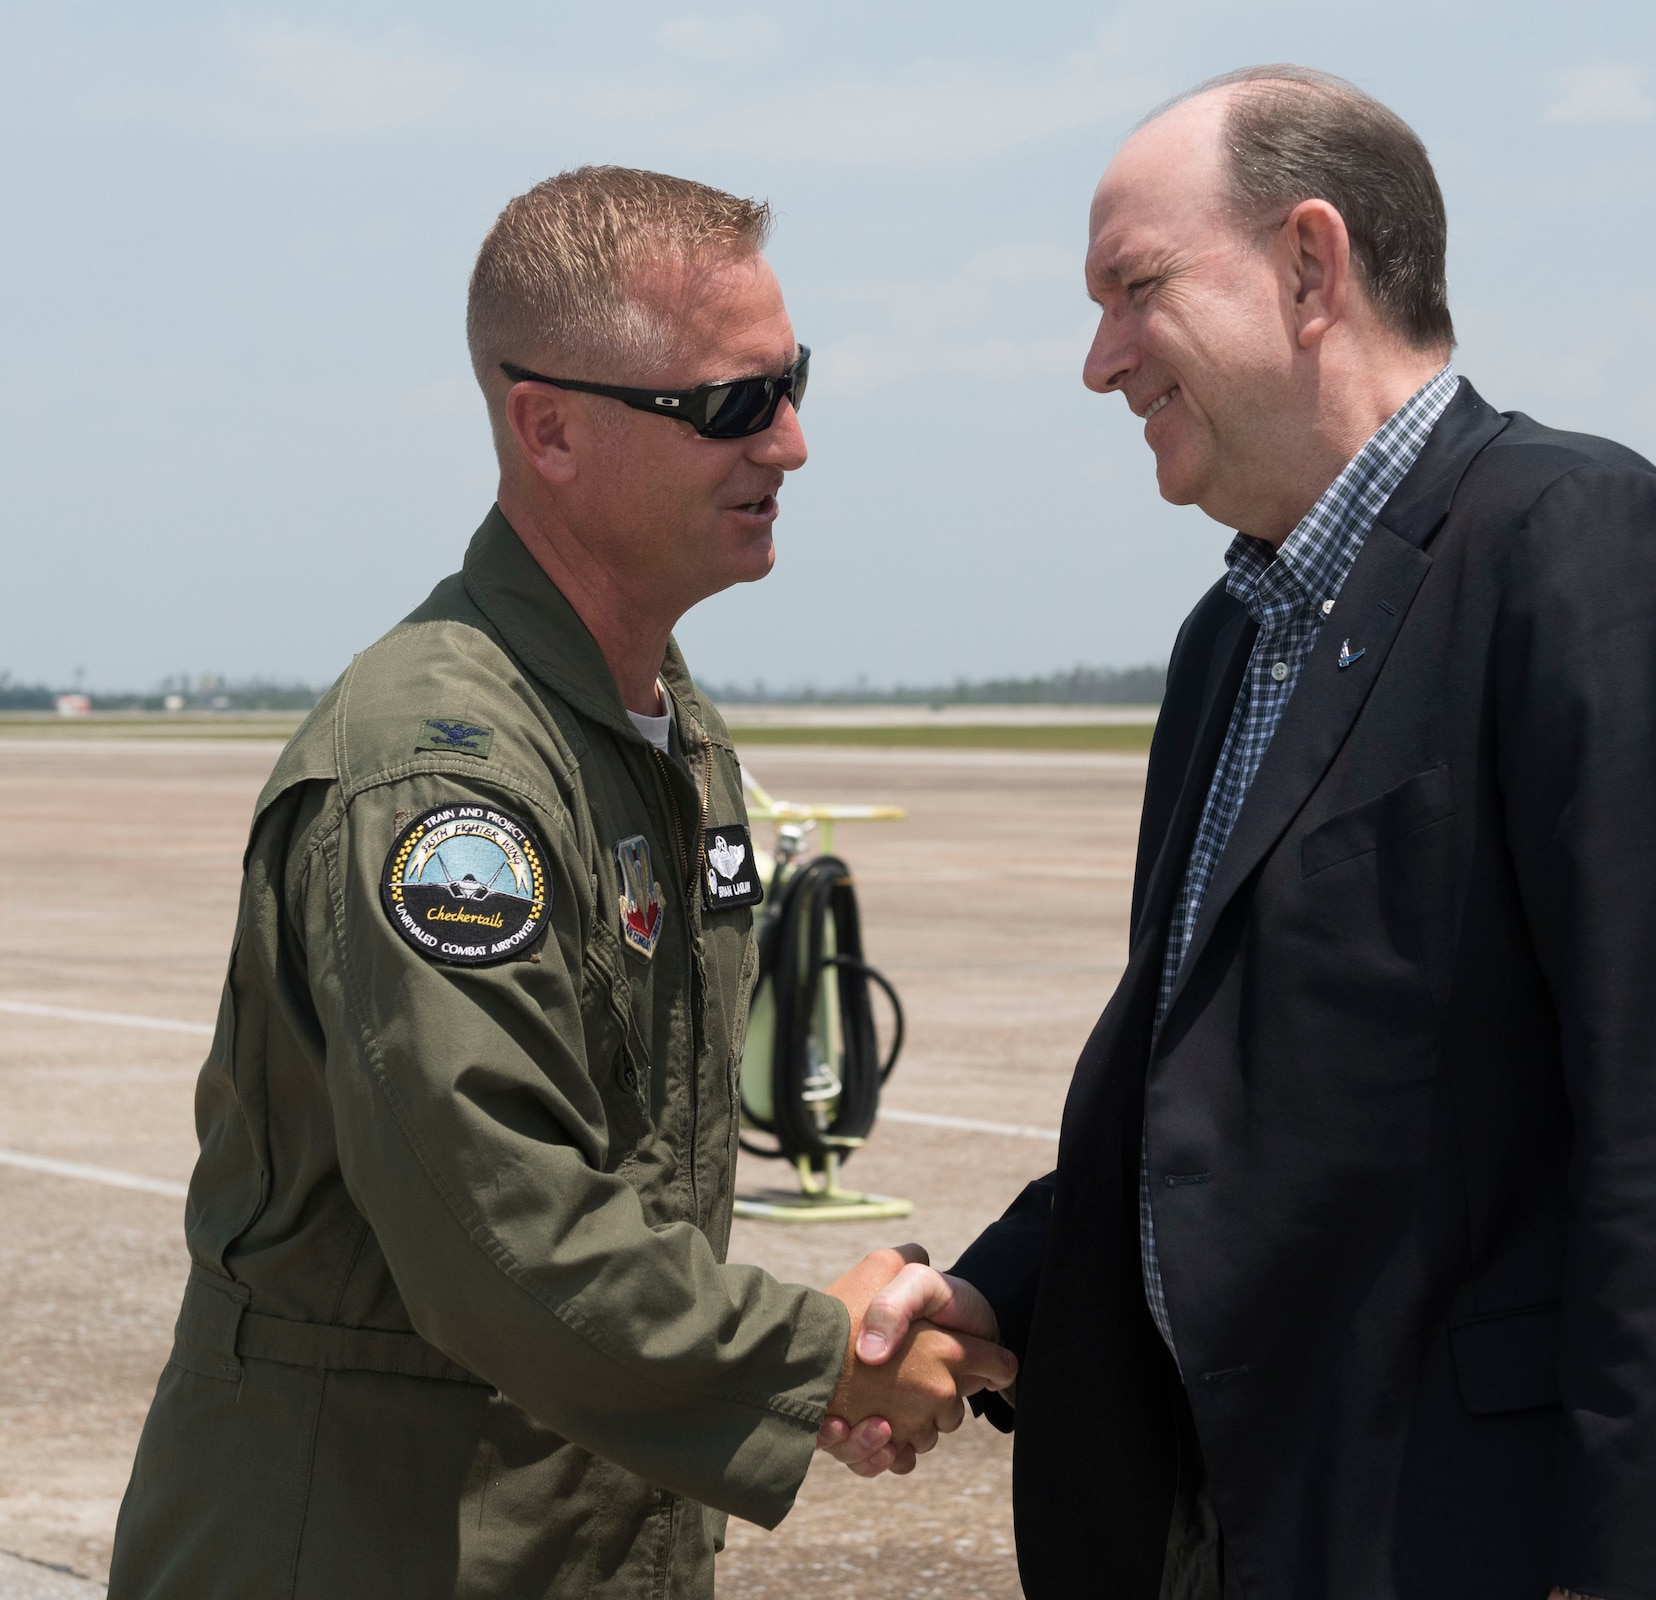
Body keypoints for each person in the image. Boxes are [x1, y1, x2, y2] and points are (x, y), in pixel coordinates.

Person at [825, 67, 1656, 1600]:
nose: (1096, 363)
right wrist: (991, 1290)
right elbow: (1213, 1095)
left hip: (1507, 1536)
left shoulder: (1577, 552)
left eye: (1134, 289)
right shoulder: (1236, 636)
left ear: (1310, 267)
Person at [107, 166, 1013, 1600]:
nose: (790, 443)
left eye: (793, 383)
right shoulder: (439, 783)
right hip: (377, 1542)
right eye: (730, 403)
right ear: (550, 429)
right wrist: (823, 1358)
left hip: (579, 1532)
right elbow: (505, 1236)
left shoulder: (663, 728)